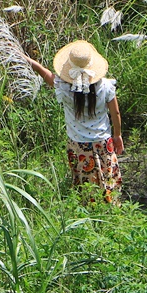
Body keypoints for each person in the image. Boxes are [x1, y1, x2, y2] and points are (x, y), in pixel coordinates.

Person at [23, 40, 123, 204]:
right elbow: (116, 113)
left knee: (84, 183)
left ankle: (88, 210)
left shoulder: (64, 88)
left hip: (78, 145)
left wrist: (26, 59)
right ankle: (111, 208)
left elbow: (44, 72)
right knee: (107, 177)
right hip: (103, 142)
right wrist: (117, 135)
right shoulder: (106, 86)